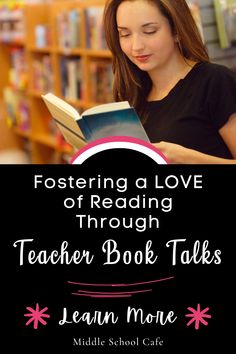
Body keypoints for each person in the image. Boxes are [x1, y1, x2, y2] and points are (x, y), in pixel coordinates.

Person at [103, 0, 236, 163]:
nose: (136, 46)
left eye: (150, 31)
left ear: (176, 31)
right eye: (125, 34)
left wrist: (189, 159)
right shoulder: (134, 95)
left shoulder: (214, 81)